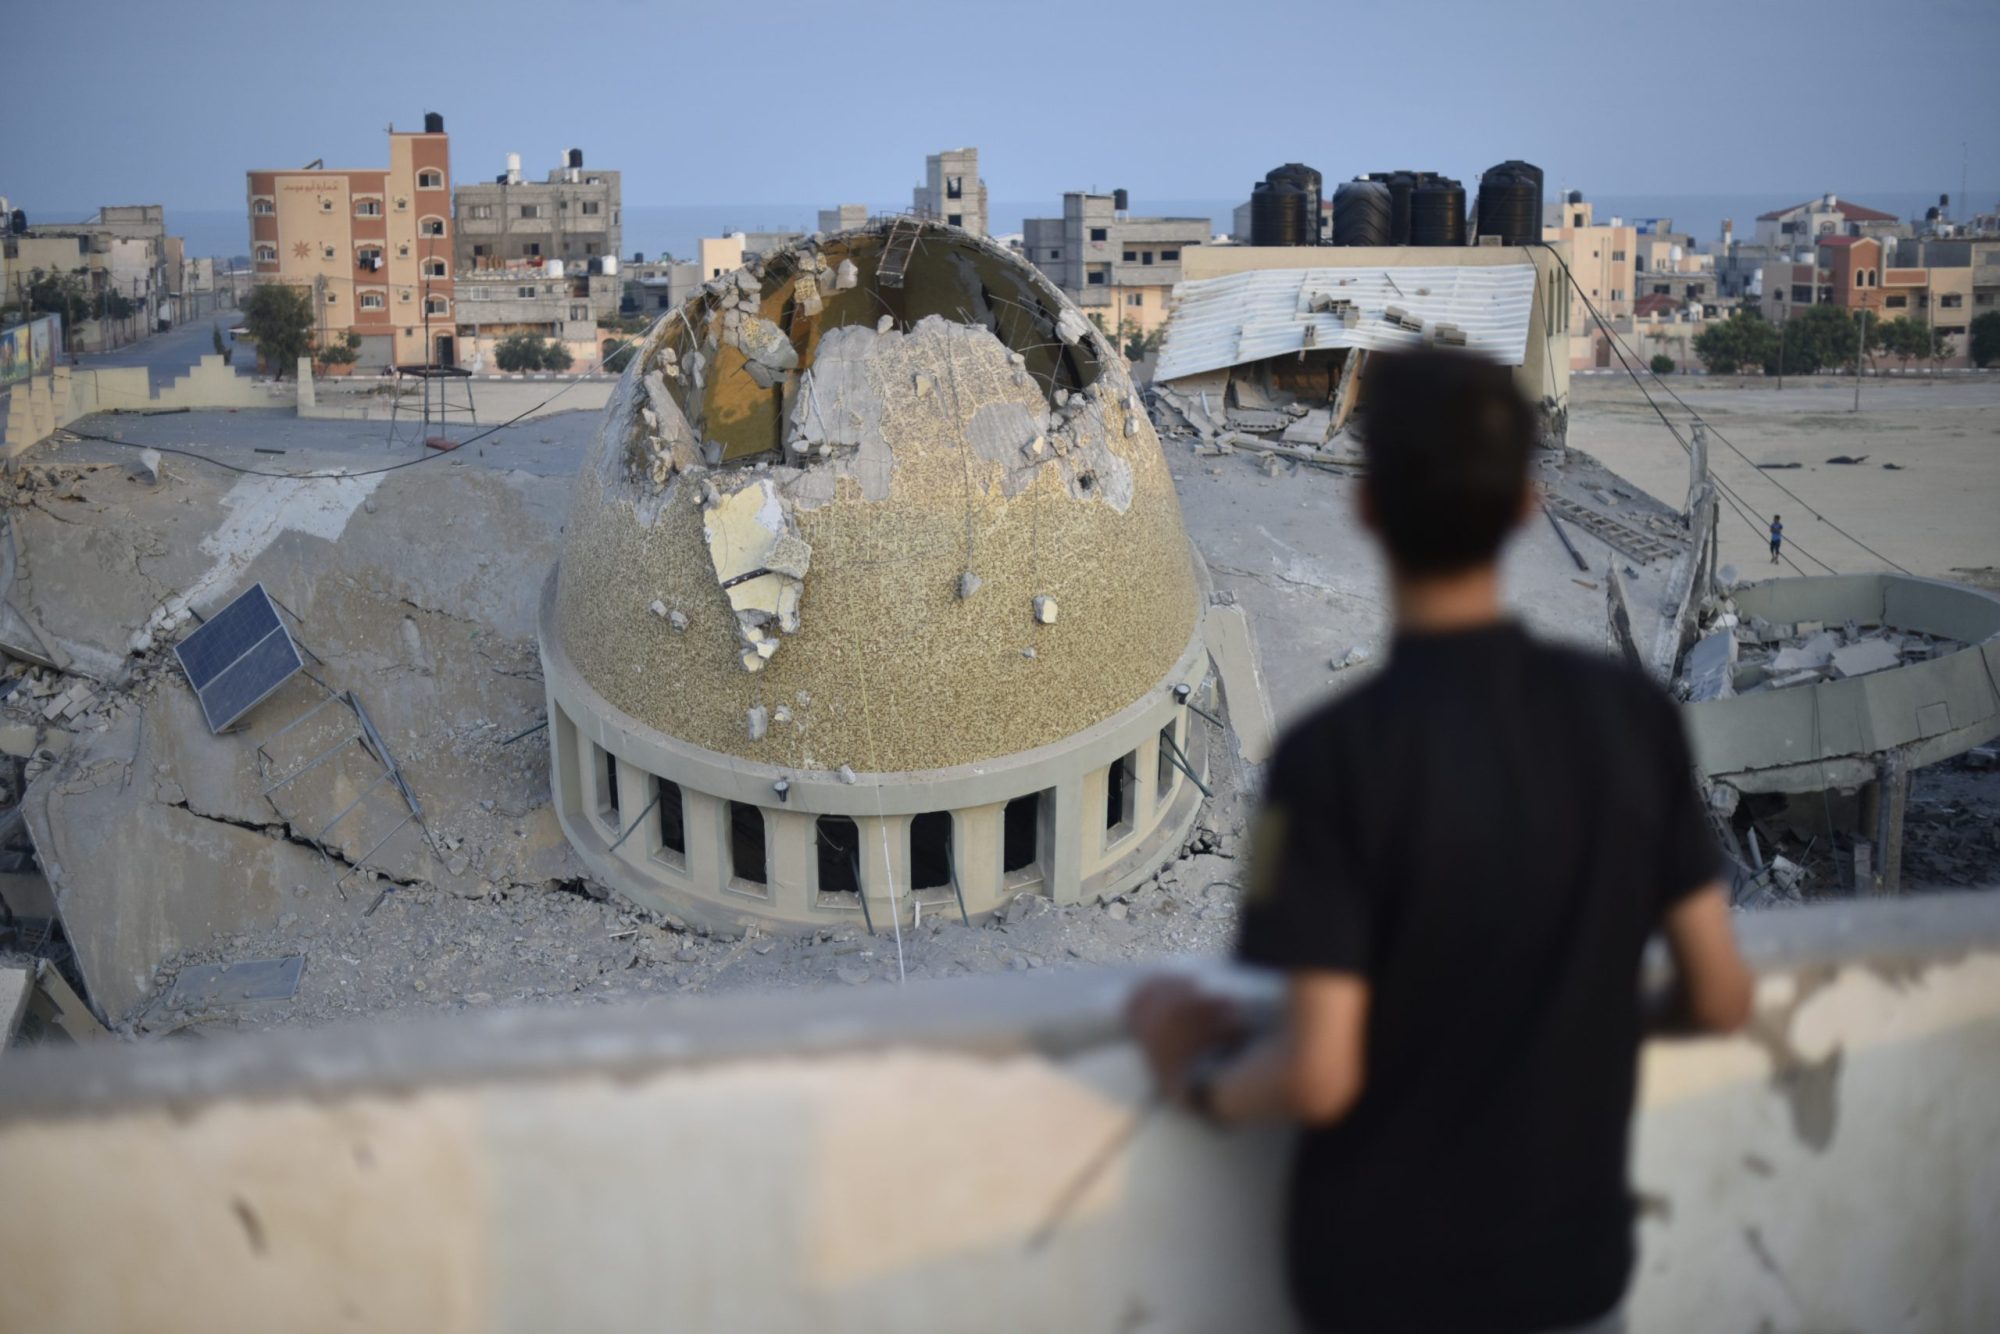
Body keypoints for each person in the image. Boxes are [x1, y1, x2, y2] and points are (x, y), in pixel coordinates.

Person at [1127, 349, 1753, 1334]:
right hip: (1568, 1278)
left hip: (1381, 1283)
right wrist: (1571, 1012)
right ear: (1523, 507)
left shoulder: (1325, 759)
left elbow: (1315, 1066)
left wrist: (1191, 1075)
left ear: (1368, 508)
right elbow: (1717, 994)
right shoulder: (1631, 718)